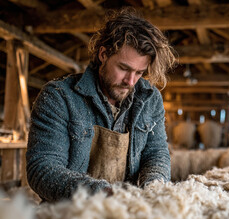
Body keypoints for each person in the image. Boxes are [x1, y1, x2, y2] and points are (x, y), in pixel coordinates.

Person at [26, 8, 176, 202]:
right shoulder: (59, 97)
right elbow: (43, 167)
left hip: (130, 211)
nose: (130, 81)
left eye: (139, 72)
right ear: (103, 54)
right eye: (123, 68)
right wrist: (100, 193)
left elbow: (157, 153)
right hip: (70, 215)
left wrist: (154, 186)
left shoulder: (150, 99)